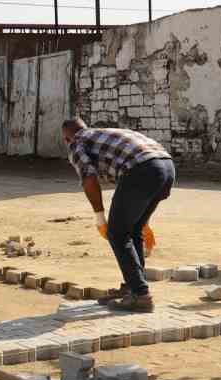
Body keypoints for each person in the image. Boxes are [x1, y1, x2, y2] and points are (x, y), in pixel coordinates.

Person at [62, 117, 175, 312]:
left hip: (142, 170)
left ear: (66, 139)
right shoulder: (104, 133)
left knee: (117, 233)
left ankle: (141, 295)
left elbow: (89, 178)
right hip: (167, 167)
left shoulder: (76, 142)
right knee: (133, 230)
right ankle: (132, 288)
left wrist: (99, 217)